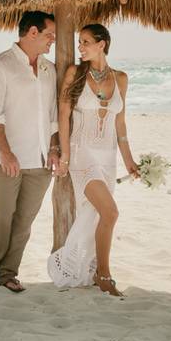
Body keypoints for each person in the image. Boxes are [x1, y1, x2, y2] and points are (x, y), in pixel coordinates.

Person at [48, 24, 138, 296]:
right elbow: (64, 115)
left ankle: (95, 268)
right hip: (82, 154)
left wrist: (130, 162)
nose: (81, 47)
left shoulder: (121, 78)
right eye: (79, 42)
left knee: (100, 216)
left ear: (103, 44)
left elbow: (120, 124)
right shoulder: (75, 73)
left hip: (107, 157)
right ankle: (104, 275)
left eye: (86, 42)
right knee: (110, 212)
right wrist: (64, 155)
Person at [0, 11, 59, 294]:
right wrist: (6, 153)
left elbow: (53, 116)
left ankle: (9, 273)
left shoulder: (49, 69)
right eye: (49, 35)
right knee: (2, 216)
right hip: (8, 158)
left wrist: (55, 149)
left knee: (24, 220)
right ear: (32, 32)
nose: (53, 41)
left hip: (42, 159)